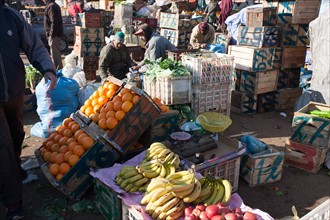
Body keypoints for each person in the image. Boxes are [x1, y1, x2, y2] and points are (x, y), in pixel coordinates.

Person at [0, 2, 57, 219]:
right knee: (2, 146)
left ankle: (13, 174)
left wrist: (48, 69)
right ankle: (13, 204)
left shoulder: (9, 15)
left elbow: (34, 46)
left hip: (14, 93)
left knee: (16, 136)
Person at [43, 0, 63, 70]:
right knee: (54, 55)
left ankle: (57, 72)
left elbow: (54, 22)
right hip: (54, 35)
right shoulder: (52, 6)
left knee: (55, 56)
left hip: (54, 36)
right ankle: (57, 71)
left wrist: (51, 34)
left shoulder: (52, 6)